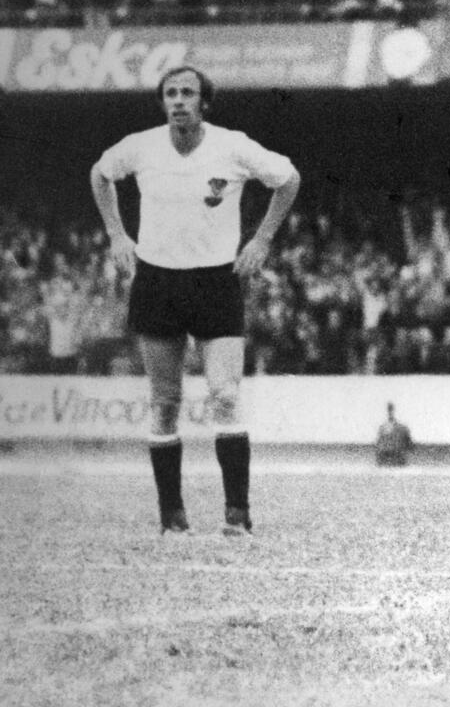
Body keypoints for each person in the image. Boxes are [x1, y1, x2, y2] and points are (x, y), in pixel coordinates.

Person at [90, 65, 301, 535]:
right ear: (162, 101)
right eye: (171, 93)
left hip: (215, 281)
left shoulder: (233, 146)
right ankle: (173, 517)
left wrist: (262, 239)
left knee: (225, 394)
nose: (178, 101)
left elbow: (288, 179)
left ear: (204, 102)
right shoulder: (141, 146)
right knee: (165, 401)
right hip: (157, 280)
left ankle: (237, 515)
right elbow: (100, 175)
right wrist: (117, 234)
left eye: (188, 93)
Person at [375, 401, 414, 467]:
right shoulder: (402, 428)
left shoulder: (383, 428)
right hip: (394, 458)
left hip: (387, 458)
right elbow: (410, 447)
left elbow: (378, 446)